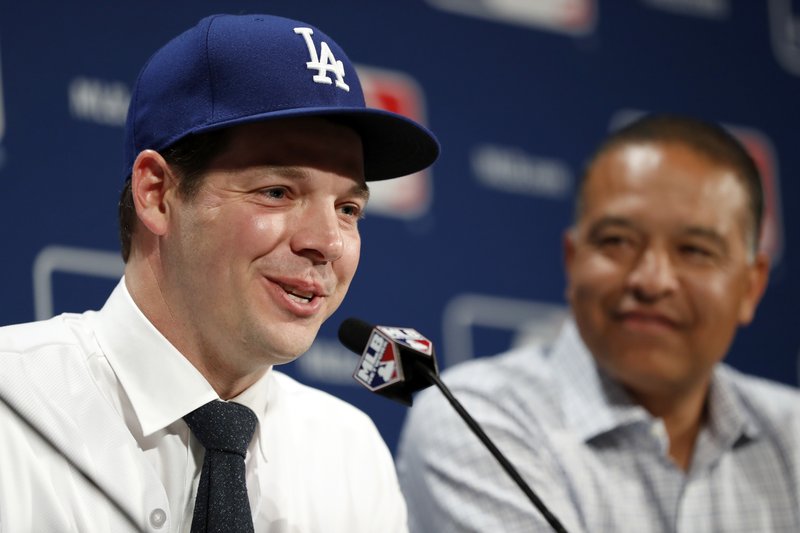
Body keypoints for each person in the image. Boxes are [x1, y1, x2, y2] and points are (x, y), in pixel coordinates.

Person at [0, 13, 438, 533]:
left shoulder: (349, 451)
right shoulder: (12, 409)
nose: (327, 243)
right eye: (277, 191)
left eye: (348, 209)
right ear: (156, 195)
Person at [397, 114, 800, 532]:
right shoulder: (476, 419)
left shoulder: (792, 433)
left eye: (694, 250)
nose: (653, 279)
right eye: (618, 241)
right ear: (573, 261)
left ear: (751, 287)